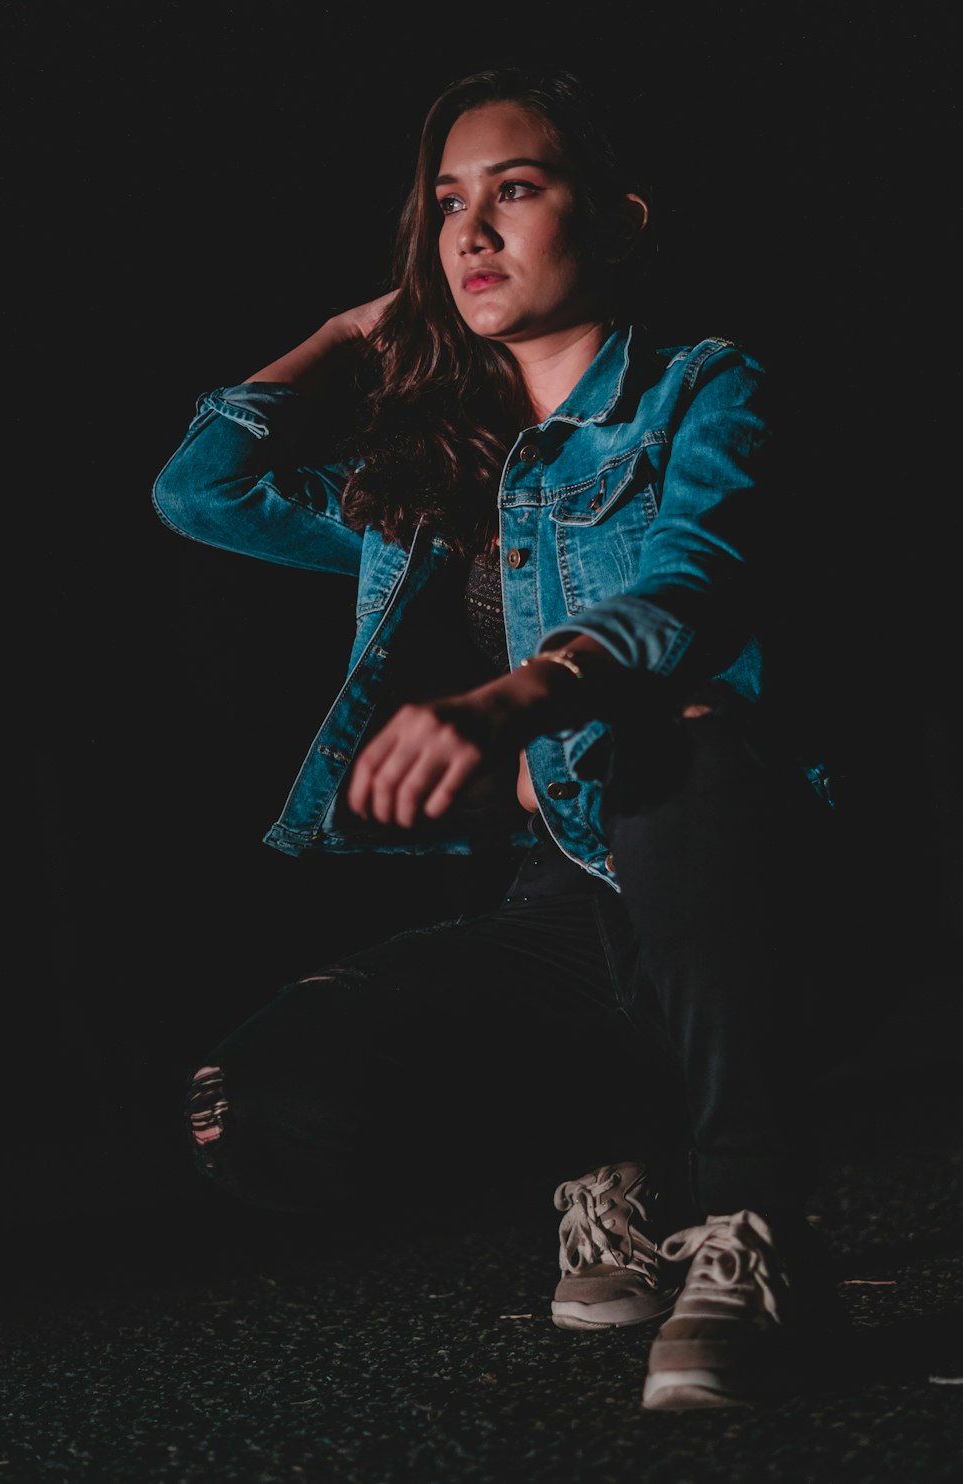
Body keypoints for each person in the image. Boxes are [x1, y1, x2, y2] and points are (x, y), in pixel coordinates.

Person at [152, 64, 846, 1411]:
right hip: (567, 899)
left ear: (620, 217)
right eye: (444, 207)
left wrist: (517, 698)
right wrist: (349, 331)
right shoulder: (436, 482)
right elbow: (200, 492)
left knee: (668, 742)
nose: (468, 233)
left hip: (743, 872)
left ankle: (757, 1226)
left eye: (514, 192)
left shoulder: (704, 389)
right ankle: (613, 1147)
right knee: (265, 1110)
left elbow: (692, 581)